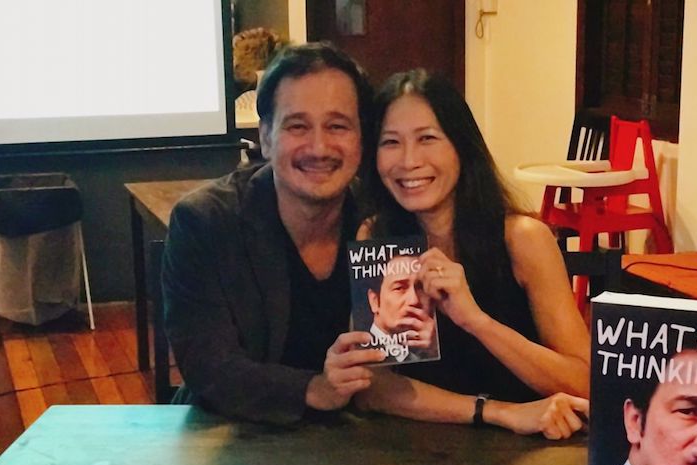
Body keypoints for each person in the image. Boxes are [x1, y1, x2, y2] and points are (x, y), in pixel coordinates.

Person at [349, 68, 591, 438]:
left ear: (462, 146)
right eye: (390, 142)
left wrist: (476, 320)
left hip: (532, 460)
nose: (409, 160)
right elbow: (373, 387)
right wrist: (500, 413)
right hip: (415, 457)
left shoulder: (522, 239)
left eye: (427, 138)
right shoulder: (377, 236)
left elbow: (586, 383)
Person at [161, 42, 384, 423]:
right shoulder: (205, 222)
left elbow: (404, 354)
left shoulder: (382, 220)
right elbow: (209, 366)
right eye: (297, 126)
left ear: (361, 139)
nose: (319, 147)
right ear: (265, 137)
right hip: (231, 433)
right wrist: (315, 389)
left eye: (337, 126)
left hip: (360, 437)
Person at [364, 253, 437, 363]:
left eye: (420, 287)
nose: (414, 300)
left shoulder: (433, 348)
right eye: (399, 288)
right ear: (374, 301)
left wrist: (434, 350)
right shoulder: (360, 353)